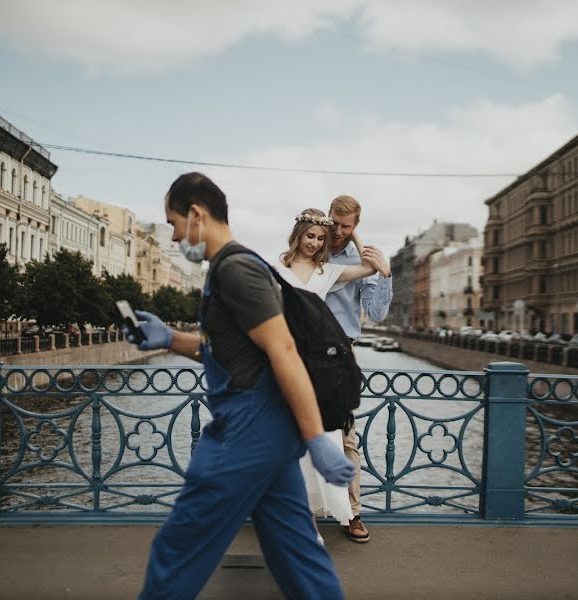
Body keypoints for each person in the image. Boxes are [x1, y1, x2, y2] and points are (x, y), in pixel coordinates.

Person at [127, 172, 354, 600]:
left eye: (175, 224)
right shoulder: (232, 268)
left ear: (197, 215)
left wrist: (317, 440)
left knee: (176, 551)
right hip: (268, 434)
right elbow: (233, 353)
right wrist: (169, 339)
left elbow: (283, 351)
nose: (175, 238)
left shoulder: (236, 271)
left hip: (245, 433)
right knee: (298, 556)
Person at [272, 208, 381, 538]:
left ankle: (343, 511)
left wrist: (355, 235)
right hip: (286, 359)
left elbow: (367, 268)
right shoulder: (277, 267)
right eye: (310, 236)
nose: (315, 243)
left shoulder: (326, 271)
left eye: (321, 238)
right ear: (299, 234)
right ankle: (298, 515)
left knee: (330, 438)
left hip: (318, 364)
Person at [325, 194, 393, 544]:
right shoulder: (312, 246)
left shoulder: (362, 257)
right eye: (333, 222)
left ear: (355, 226)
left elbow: (377, 313)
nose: (337, 231)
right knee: (292, 431)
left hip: (339, 355)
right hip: (301, 353)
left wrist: (384, 272)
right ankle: (291, 512)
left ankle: (353, 513)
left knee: (345, 437)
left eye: (345, 226)